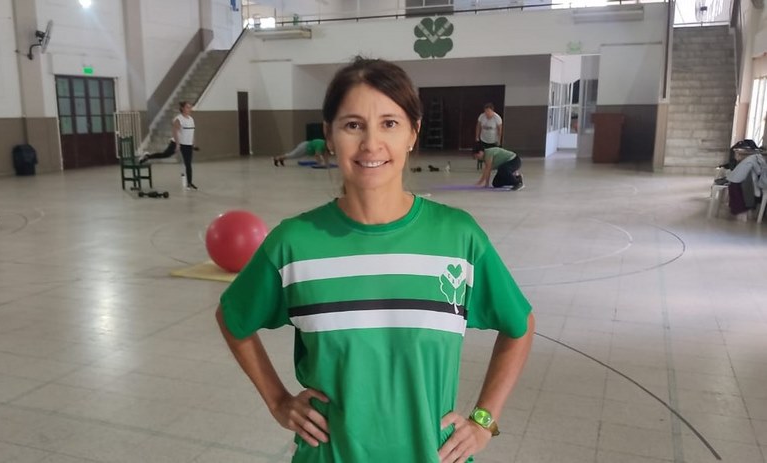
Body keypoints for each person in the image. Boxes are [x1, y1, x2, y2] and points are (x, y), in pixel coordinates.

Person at [216, 57, 534, 463]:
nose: (370, 143)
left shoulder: (458, 238)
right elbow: (233, 317)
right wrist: (278, 400)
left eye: (389, 123)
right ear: (329, 136)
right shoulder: (293, 244)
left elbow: (519, 326)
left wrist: (484, 421)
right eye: (353, 125)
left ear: (412, 133)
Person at [726, 148, 766, 218]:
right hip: (738, 181)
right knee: (744, 195)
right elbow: (759, 171)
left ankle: (738, 211)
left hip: (734, 180)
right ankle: (742, 212)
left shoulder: (751, 158)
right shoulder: (755, 160)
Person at [174, 101, 197, 190]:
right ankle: (189, 183)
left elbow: (192, 131)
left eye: (190, 107)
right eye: (187, 107)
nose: (189, 109)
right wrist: (177, 144)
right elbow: (175, 132)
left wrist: (193, 142)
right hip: (183, 144)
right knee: (188, 163)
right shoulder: (179, 119)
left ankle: (190, 182)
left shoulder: (191, 119)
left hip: (189, 144)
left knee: (189, 163)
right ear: (182, 108)